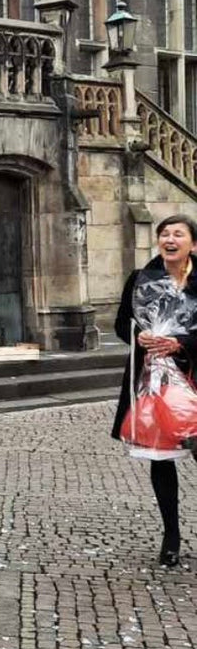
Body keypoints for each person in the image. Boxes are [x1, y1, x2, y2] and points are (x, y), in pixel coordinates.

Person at [112, 214, 197, 567]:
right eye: (165, 234)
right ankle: (171, 536)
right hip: (155, 378)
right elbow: (121, 324)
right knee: (161, 459)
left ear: (193, 244)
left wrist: (181, 343)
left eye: (178, 234)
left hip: (192, 374)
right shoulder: (141, 279)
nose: (170, 239)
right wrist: (141, 337)